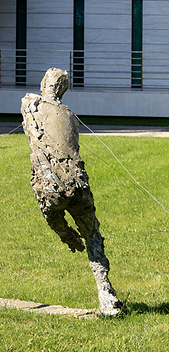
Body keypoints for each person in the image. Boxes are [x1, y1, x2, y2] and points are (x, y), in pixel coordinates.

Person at [21, 67, 125, 316]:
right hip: (76, 185)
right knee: (93, 236)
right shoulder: (69, 115)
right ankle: (105, 292)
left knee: (51, 213)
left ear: (44, 83)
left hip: (49, 187)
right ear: (64, 90)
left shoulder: (29, 107)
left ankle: (67, 236)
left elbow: (29, 103)